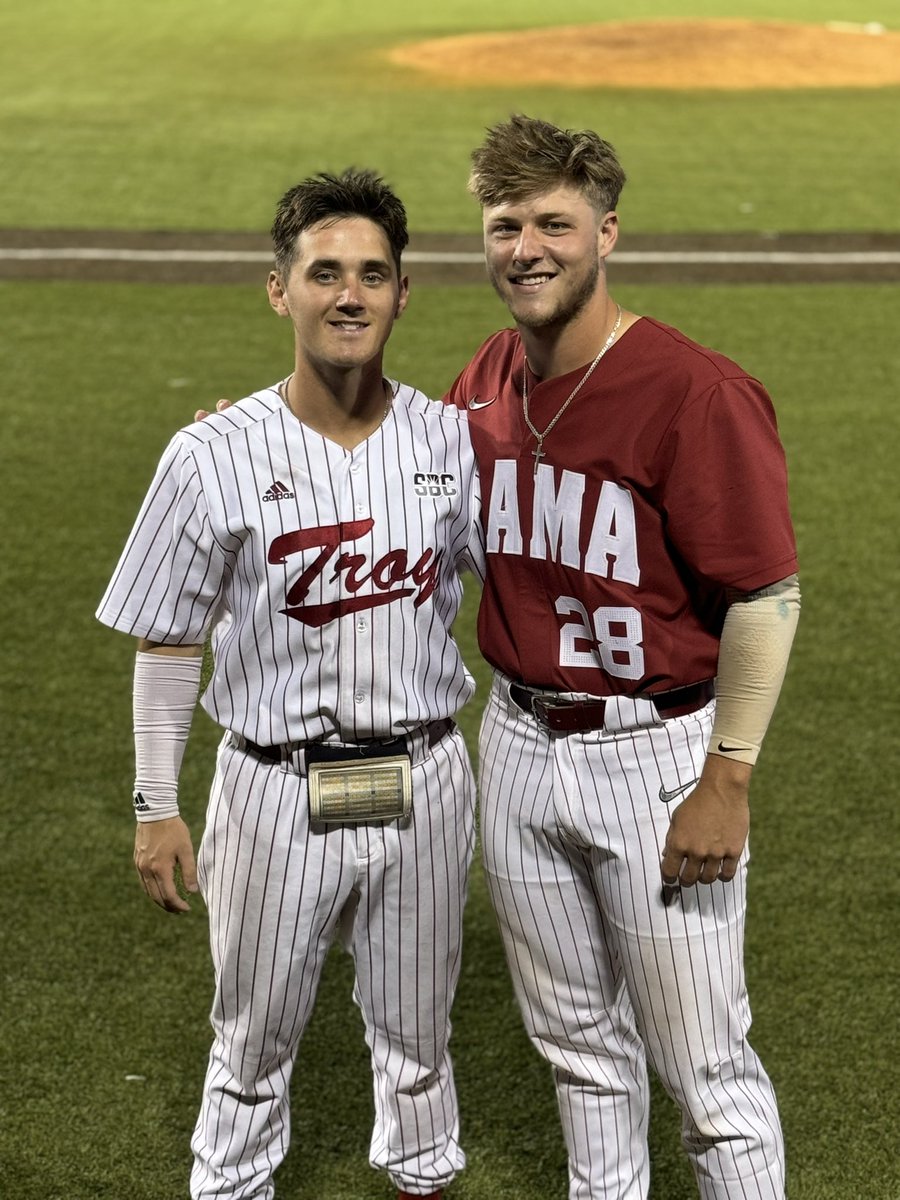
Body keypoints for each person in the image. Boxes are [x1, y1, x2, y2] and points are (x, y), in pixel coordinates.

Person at [96, 168, 484, 1200]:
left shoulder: (454, 442)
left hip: (427, 779)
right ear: (280, 290)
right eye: (324, 272)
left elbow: (531, 574)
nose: (348, 294)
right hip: (272, 792)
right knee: (252, 1040)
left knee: (419, 1038)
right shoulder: (209, 454)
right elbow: (169, 641)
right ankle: (231, 1185)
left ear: (406, 293)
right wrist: (153, 806)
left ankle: (421, 1176)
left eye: (372, 274)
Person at [442, 114, 801, 1199]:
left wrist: (726, 776)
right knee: (580, 1053)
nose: (526, 248)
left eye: (553, 222)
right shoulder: (486, 376)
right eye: (505, 225)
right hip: (514, 742)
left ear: (608, 231)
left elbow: (766, 597)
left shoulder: (695, 393)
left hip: (657, 758)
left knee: (704, 1072)